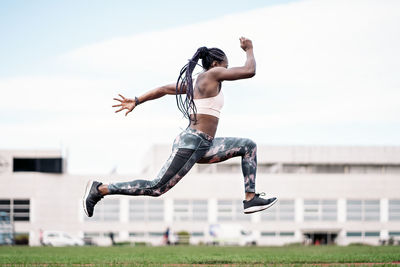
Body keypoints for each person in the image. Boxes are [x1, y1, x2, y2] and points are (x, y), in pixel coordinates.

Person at [83, 37, 277, 218]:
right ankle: (100, 189)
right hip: (193, 142)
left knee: (248, 146)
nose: (226, 72)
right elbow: (249, 70)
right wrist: (249, 49)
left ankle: (250, 199)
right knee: (156, 188)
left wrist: (137, 100)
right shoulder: (212, 74)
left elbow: (162, 90)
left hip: (205, 144)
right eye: (225, 67)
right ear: (216, 64)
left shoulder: (194, 83)